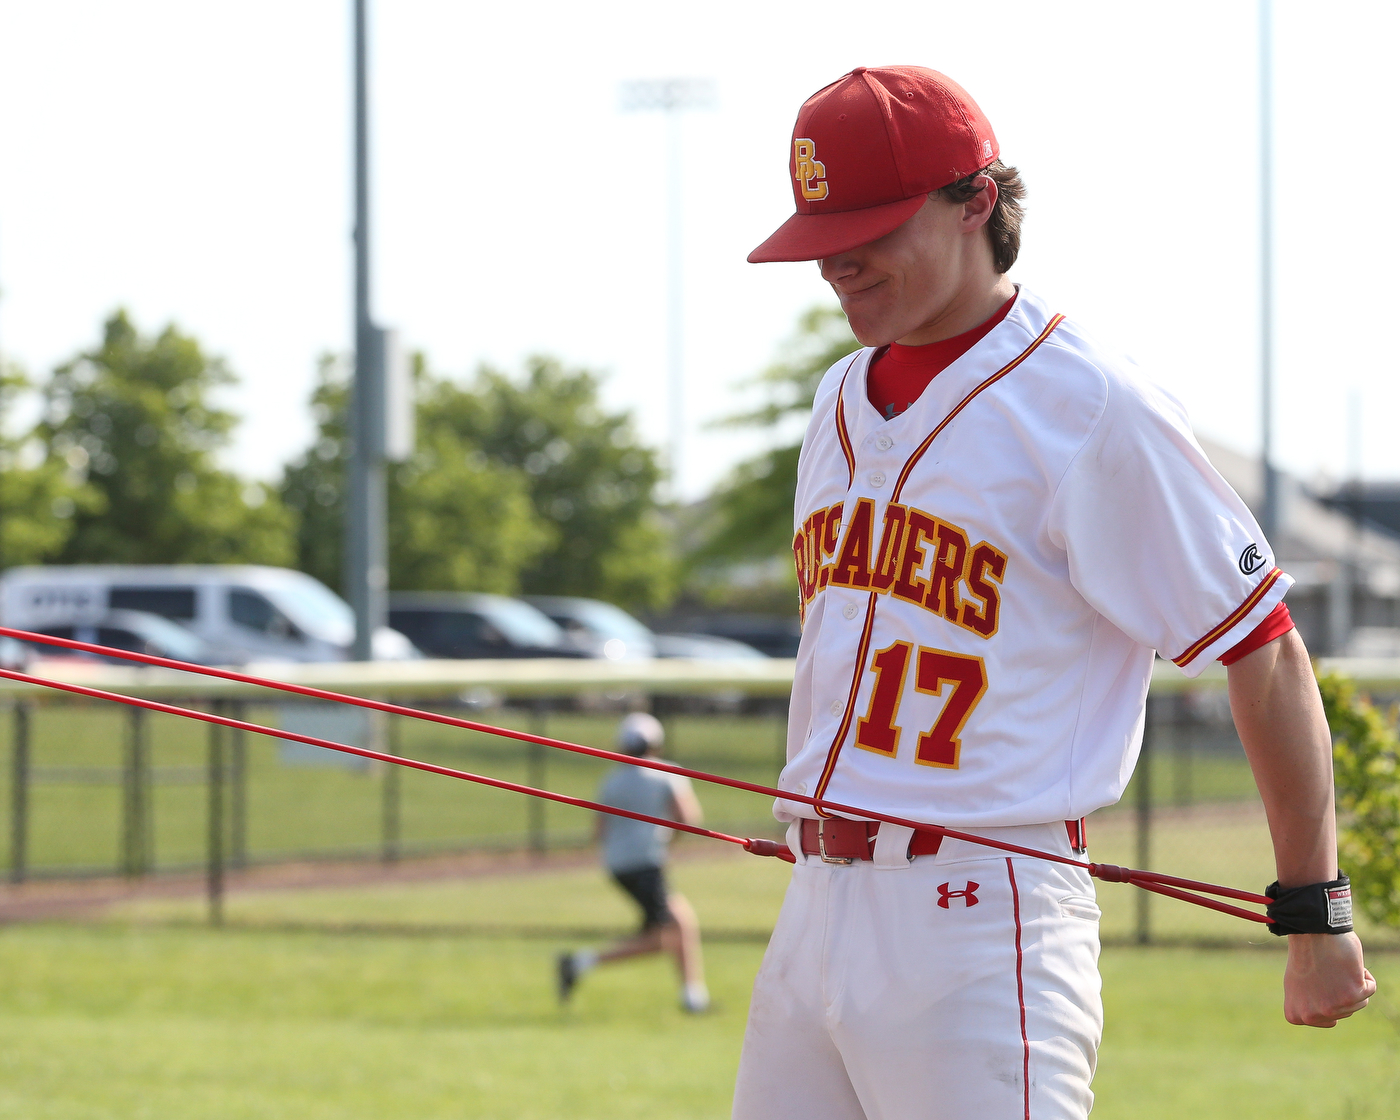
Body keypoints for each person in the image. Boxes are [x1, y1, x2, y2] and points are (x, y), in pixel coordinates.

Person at [734, 65, 1376, 1120]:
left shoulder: (1087, 402)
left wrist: (1313, 908)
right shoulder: (837, 396)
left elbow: (1259, 645)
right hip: (814, 905)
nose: (837, 261)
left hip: (978, 915)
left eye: (872, 225)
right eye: (821, 234)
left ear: (974, 200)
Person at [557, 712, 710, 1013]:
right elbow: (689, 818)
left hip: (618, 865)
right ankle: (579, 963)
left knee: (682, 922)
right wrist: (666, 842)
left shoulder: (611, 782)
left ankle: (693, 996)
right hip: (647, 863)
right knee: (662, 937)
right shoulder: (667, 773)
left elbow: (598, 832)